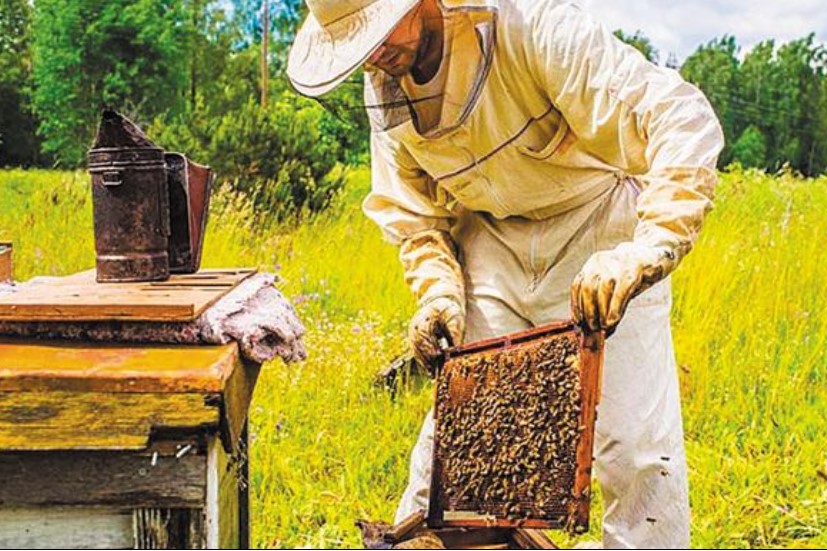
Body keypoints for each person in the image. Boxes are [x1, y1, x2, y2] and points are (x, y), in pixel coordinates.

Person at [288, 0, 723, 547]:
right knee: (454, 446)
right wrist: (439, 295)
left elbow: (679, 117)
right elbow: (415, 219)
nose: (375, 55)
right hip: (491, 237)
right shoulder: (386, 83)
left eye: (378, 32)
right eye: (360, 45)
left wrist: (647, 249)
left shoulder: (533, 25)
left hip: (598, 225)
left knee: (634, 447)